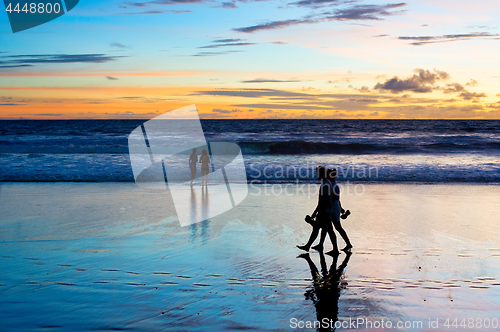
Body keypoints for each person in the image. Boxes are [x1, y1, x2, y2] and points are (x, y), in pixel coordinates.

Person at [297, 166, 339, 255]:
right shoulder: (327, 183)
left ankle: (335, 249)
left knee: (324, 229)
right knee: (318, 228)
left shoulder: (325, 184)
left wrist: (314, 213)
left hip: (325, 211)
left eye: (317, 173)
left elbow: (322, 201)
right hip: (326, 210)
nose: (317, 175)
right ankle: (308, 246)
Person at [313, 168, 352, 252]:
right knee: (328, 227)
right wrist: (340, 208)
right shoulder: (335, 185)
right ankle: (321, 244)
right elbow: (337, 199)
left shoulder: (331, 185)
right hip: (335, 206)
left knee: (334, 227)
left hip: (333, 207)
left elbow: (332, 198)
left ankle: (347, 244)